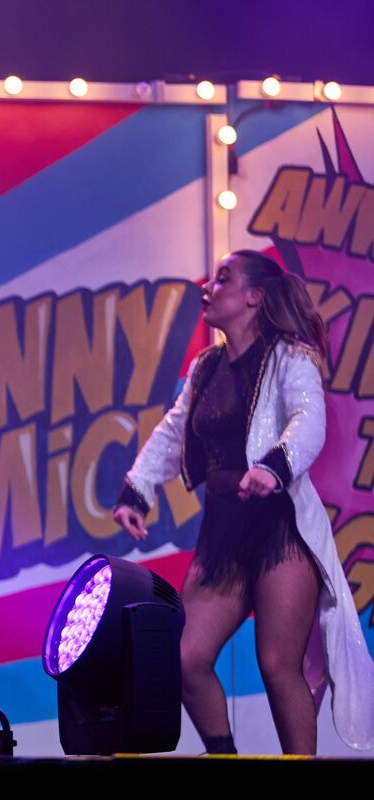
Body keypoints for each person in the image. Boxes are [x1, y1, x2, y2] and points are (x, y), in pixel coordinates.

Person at [113, 249, 374, 754]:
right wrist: (137, 491)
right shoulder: (206, 367)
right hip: (224, 534)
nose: (208, 287)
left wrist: (274, 468)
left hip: (279, 529)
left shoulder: (290, 356)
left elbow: (308, 421)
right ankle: (227, 762)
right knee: (186, 657)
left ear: (254, 297)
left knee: (278, 663)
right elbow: (172, 432)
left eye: (223, 279)